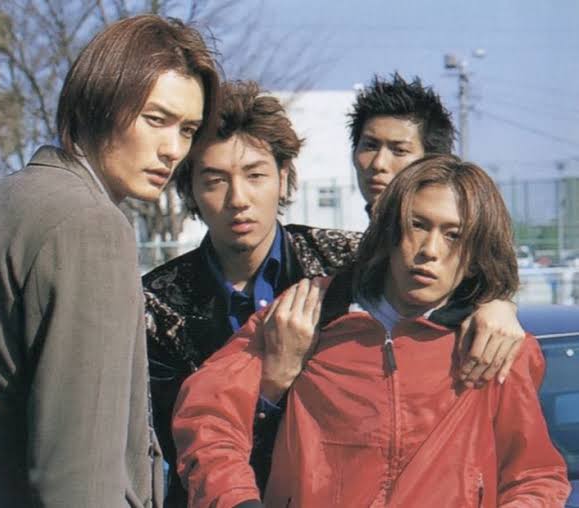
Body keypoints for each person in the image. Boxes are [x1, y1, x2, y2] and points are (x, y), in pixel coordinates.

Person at [172, 155, 571, 507]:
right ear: (390, 231)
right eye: (417, 225)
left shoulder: (494, 347)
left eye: (454, 235)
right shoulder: (308, 313)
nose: (430, 250)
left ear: (476, 252)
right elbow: (208, 417)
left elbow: (534, 477)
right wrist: (237, 502)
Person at [0, 15, 219, 507]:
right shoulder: (92, 227)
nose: (173, 149)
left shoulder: (0, 200)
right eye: (156, 119)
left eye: (188, 129)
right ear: (100, 100)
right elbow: (78, 479)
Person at [143, 80, 362, 506]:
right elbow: (184, 452)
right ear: (190, 191)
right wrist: (271, 385)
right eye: (215, 180)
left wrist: (493, 302)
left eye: (255, 175)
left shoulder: (344, 262)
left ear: (283, 177)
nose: (238, 199)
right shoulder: (157, 305)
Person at [349, 73, 525, 385]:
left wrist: (499, 304)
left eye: (399, 150)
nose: (378, 163)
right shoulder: (335, 255)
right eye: (370, 145)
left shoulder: (476, 320)